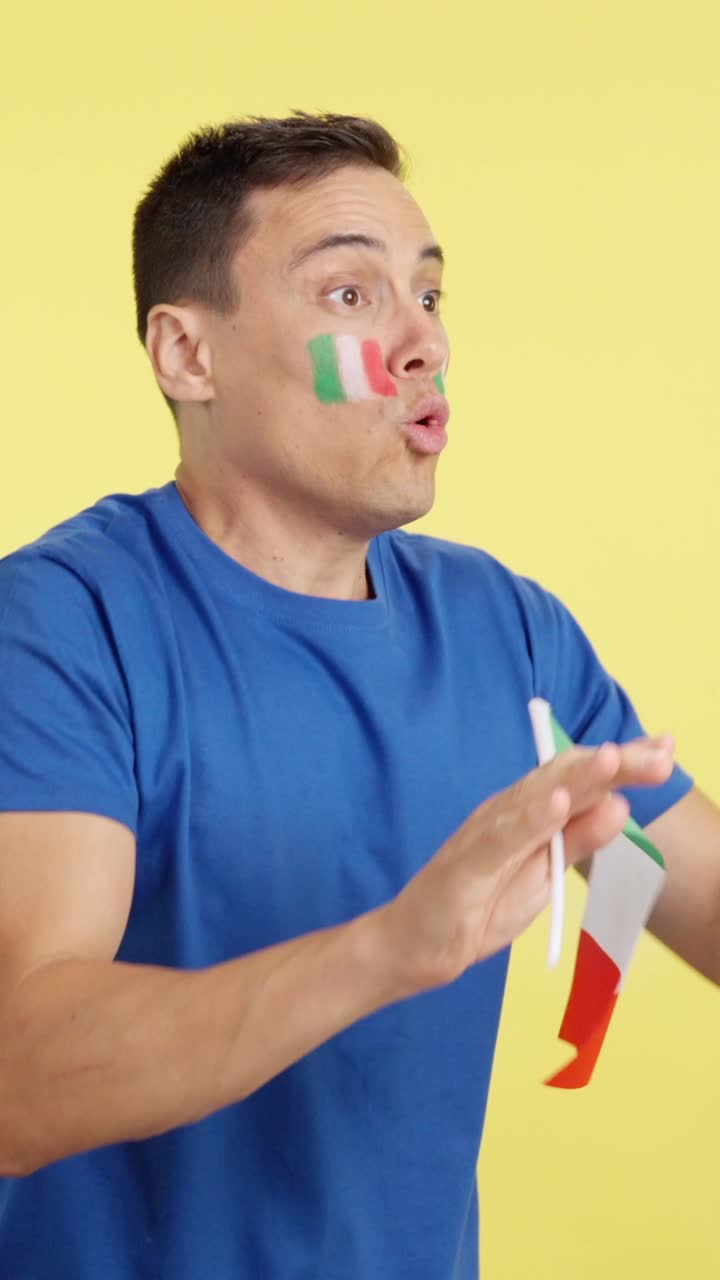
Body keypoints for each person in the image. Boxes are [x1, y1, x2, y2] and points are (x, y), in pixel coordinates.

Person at [0, 113, 716, 1280]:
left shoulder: (508, 631)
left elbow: (700, 892)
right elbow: (17, 1075)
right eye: (350, 296)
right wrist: (389, 947)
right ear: (189, 355)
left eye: (430, 295)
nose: (422, 341)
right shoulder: (61, 624)